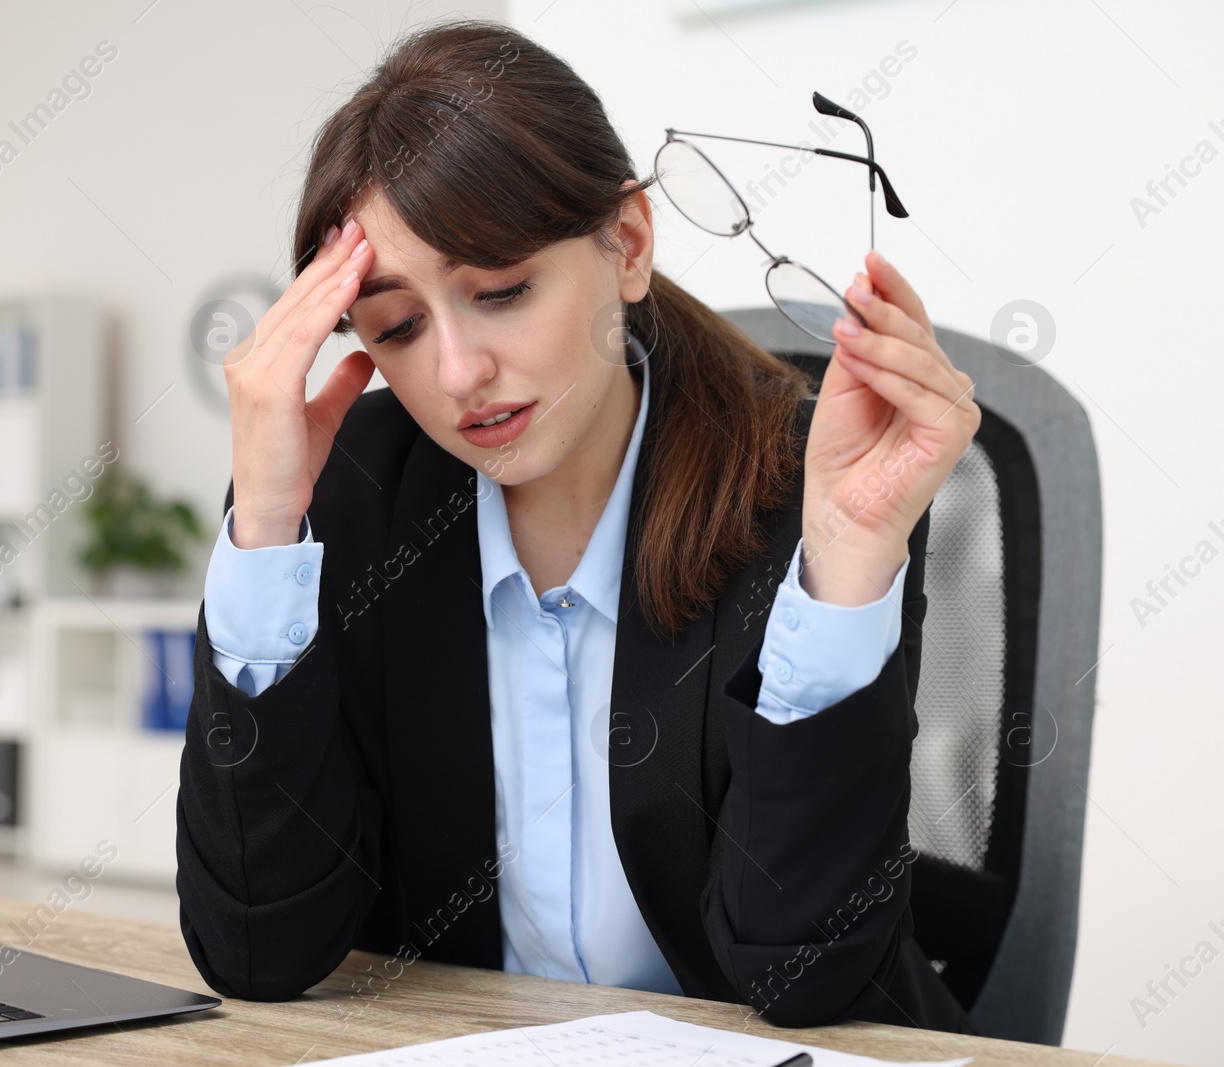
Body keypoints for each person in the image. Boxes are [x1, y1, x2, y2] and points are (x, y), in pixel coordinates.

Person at [175, 17, 981, 1033]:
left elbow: (803, 975)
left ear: (628, 244)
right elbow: (256, 949)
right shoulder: (336, 504)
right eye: (396, 326)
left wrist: (847, 564)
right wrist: (263, 532)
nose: (459, 373)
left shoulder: (803, 484)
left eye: (502, 290)